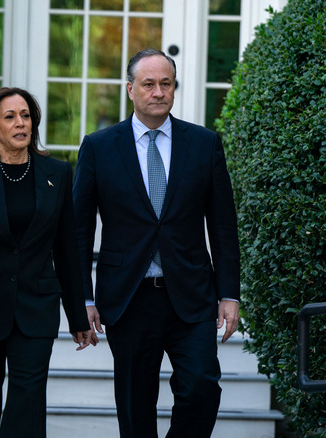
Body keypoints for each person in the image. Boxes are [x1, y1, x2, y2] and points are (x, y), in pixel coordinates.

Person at [73, 48, 241, 438]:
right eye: (148, 84)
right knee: (135, 407)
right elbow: (79, 231)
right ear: (130, 89)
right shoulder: (99, 147)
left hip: (192, 295)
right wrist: (83, 298)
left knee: (201, 387)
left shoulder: (204, 144)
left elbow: (222, 226)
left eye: (166, 83)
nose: (158, 92)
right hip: (128, 297)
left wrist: (229, 293)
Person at [0, 87, 93, 438]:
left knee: (28, 400)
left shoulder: (57, 172)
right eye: (10, 117)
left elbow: (66, 248)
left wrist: (78, 314)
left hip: (35, 307)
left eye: (25, 116)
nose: (20, 123)